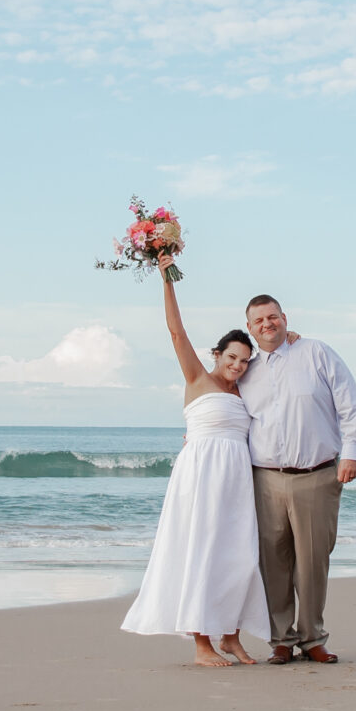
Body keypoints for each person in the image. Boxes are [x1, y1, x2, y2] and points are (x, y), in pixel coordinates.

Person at [118, 265, 271, 666]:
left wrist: (289, 337)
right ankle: (202, 643)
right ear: (217, 355)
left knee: (241, 556)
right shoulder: (197, 379)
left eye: (244, 361)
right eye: (232, 358)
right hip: (200, 477)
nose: (238, 366)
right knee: (200, 554)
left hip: (237, 480)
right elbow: (176, 331)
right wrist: (166, 278)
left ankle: (231, 636)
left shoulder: (246, 390)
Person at [237, 293, 356, 665]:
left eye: (272, 317)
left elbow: (349, 402)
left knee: (312, 562)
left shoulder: (315, 353)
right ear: (250, 328)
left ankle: (312, 638)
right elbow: (227, 406)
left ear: (285, 318)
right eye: (259, 321)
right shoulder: (247, 369)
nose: (267, 325)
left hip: (317, 474)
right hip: (265, 479)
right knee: (273, 562)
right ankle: (281, 640)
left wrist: (351, 451)